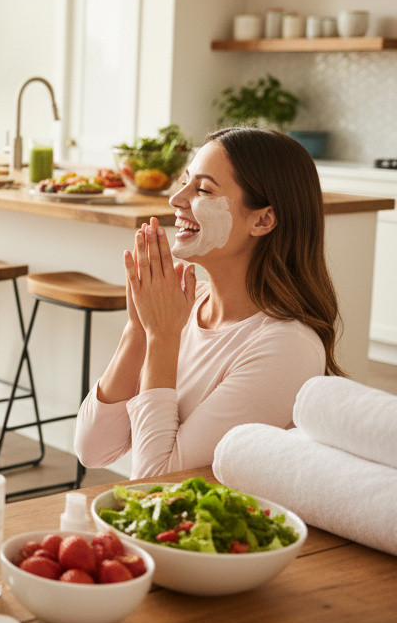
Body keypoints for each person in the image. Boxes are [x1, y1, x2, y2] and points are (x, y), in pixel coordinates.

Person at [76, 127, 339, 479]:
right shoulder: (182, 304)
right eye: (185, 181)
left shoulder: (287, 348)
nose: (176, 198)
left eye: (203, 189)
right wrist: (138, 329)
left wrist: (162, 337)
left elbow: (158, 482)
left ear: (262, 220)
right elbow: (92, 450)